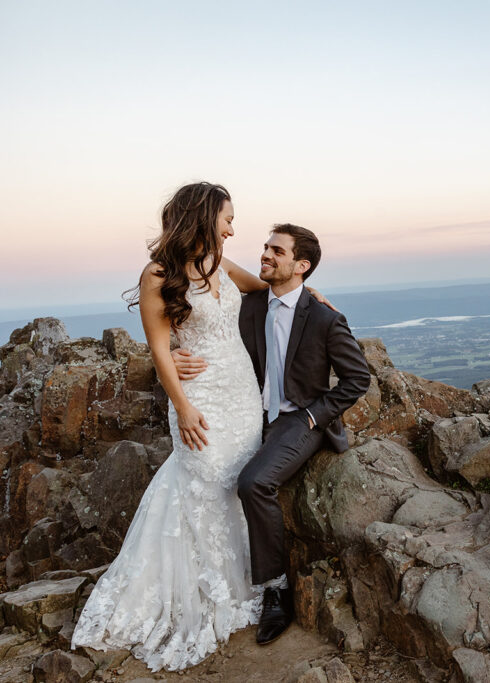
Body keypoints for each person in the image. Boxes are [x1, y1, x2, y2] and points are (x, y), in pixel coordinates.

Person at [70, 182, 346, 671]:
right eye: (227, 219)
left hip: (242, 394)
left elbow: (266, 288)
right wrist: (182, 405)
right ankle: (196, 588)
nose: (233, 228)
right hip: (199, 398)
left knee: (238, 481)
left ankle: (250, 582)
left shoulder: (218, 264)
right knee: (202, 478)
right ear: (203, 216)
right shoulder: (157, 274)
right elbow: (159, 349)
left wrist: (308, 289)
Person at [172, 223, 370, 645]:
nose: (265, 254)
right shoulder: (249, 306)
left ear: (301, 265)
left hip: (299, 419)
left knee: (254, 483)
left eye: (276, 251)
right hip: (246, 413)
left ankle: (275, 591)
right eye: (265, 247)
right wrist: (173, 353)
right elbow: (206, 334)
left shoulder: (324, 318)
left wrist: (315, 416)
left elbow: (357, 379)